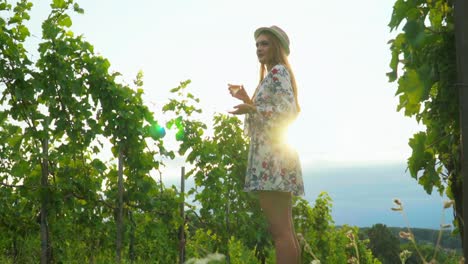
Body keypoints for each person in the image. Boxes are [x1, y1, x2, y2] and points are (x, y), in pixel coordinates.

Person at [228, 25, 304, 264]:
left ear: (277, 47)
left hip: (272, 159)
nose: (259, 48)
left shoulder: (278, 72)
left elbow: (288, 112)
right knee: (286, 232)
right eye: (257, 44)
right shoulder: (273, 75)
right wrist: (247, 100)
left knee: (280, 233)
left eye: (265, 43)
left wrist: (251, 107)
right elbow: (266, 114)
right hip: (275, 156)